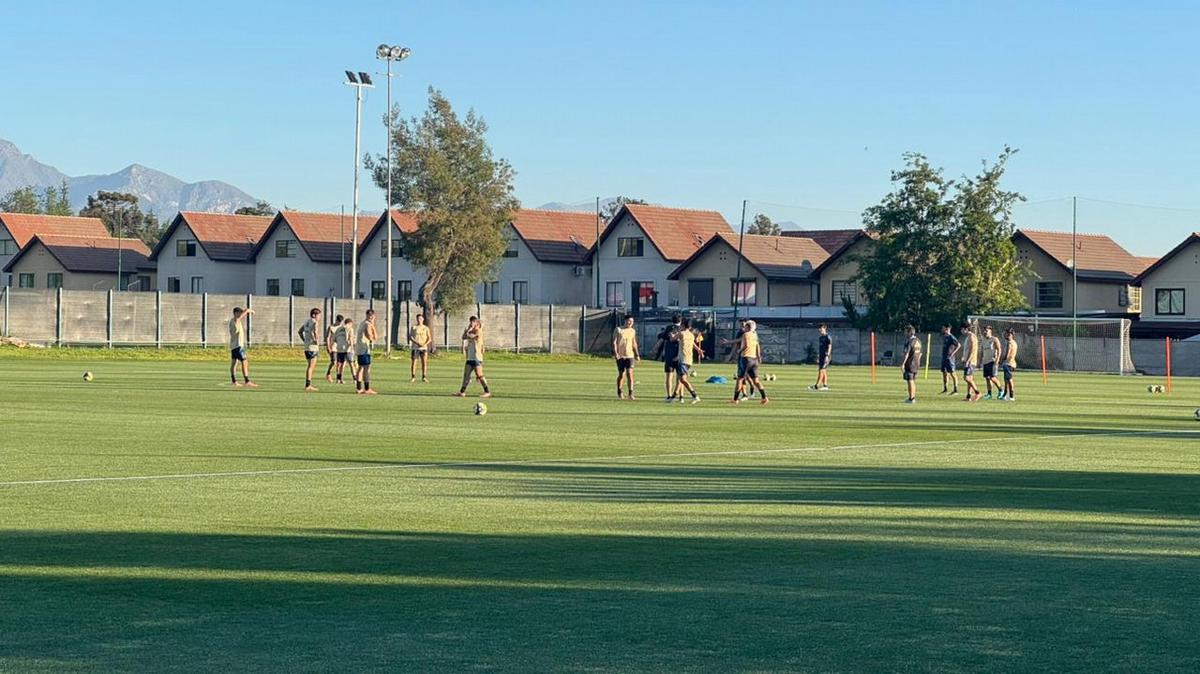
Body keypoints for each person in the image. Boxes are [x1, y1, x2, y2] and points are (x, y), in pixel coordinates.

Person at [726, 320, 768, 405]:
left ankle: (735, 399)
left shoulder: (746, 334)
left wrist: (739, 350)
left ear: (748, 327)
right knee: (756, 381)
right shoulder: (754, 335)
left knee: (740, 379)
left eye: (745, 326)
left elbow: (745, 345)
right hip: (754, 359)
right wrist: (759, 356)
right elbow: (757, 346)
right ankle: (764, 397)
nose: (743, 327)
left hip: (745, 359)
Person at [456, 315, 492, 398]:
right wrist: (467, 331)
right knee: (466, 375)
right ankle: (462, 392)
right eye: (470, 321)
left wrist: (468, 331)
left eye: (473, 321)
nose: (471, 323)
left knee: (479, 375)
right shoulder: (471, 331)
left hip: (476, 357)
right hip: (470, 356)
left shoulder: (478, 331)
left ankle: (487, 391)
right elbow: (463, 337)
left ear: (477, 323)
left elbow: (472, 336)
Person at [670, 318, 701, 404]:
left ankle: (695, 396)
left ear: (683, 325)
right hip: (689, 360)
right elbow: (690, 345)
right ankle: (673, 397)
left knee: (683, 379)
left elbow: (673, 339)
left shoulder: (681, 333)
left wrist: (671, 334)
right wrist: (699, 350)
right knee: (680, 378)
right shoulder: (691, 335)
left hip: (683, 360)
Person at [227, 306, 257, 388]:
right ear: (235, 313)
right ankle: (247, 381)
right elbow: (242, 315)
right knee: (244, 362)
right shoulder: (235, 320)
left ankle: (234, 381)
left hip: (234, 346)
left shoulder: (232, 321)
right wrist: (248, 311)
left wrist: (246, 311)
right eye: (239, 313)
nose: (240, 314)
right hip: (238, 346)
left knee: (234, 363)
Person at [655, 314, 683, 402]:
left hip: (669, 355)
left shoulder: (669, 328)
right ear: (680, 320)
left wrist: (655, 348)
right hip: (680, 356)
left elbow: (662, 339)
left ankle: (669, 395)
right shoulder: (683, 329)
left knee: (669, 377)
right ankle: (680, 396)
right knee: (681, 377)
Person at [612, 314, 640, 400]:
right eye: (629, 321)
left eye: (632, 322)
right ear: (625, 321)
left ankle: (630, 393)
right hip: (620, 356)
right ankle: (619, 391)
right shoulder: (618, 330)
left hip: (630, 355)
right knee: (621, 374)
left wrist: (637, 354)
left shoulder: (632, 331)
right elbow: (614, 342)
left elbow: (634, 343)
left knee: (630, 374)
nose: (630, 323)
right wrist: (616, 353)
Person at [354, 309, 378, 395]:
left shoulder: (362, 323)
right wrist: (373, 329)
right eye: (370, 316)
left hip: (360, 348)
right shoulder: (368, 324)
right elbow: (370, 336)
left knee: (360, 368)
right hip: (364, 349)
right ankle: (367, 388)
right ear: (367, 316)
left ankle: (358, 388)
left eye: (372, 316)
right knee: (366, 368)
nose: (371, 318)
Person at [298, 307, 322, 392]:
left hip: (307, 347)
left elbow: (300, 331)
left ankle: (308, 384)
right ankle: (308, 385)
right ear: (314, 315)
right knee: (311, 367)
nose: (320, 317)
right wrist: (316, 341)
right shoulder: (315, 322)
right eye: (319, 315)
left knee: (309, 366)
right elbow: (314, 332)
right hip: (312, 347)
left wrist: (304, 340)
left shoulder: (306, 322)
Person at [960, 322, 982, 402]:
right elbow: (967, 349)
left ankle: (977, 392)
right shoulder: (968, 337)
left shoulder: (972, 337)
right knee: (970, 378)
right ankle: (968, 396)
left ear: (966, 329)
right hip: (968, 360)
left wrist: (968, 360)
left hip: (971, 361)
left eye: (962, 329)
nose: (961, 331)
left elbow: (973, 350)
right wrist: (964, 357)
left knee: (966, 378)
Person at [409, 313, 432, 383]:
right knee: (414, 362)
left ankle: (424, 377)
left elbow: (429, 338)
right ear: (416, 319)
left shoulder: (426, 328)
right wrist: (417, 343)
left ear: (423, 319)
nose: (420, 320)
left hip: (424, 348)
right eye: (418, 319)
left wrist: (424, 344)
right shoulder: (414, 327)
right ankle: (413, 377)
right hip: (415, 348)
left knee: (424, 363)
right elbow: (411, 337)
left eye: (421, 319)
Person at [901, 324, 921, 404]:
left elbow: (907, 354)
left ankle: (911, 398)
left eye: (906, 331)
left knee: (910, 381)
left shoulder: (909, 341)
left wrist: (903, 363)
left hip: (910, 364)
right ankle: (913, 397)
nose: (904, 333)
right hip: (916, 363)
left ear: (909, 332)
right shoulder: (918, 341)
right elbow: (920, 354)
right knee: (913, 381)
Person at [809, 323, 832, 391]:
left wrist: (827, 355)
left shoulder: (828, 337)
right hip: (822, 356)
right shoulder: (820, 337)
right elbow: (821, 348)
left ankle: (817, 386)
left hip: (826, 356)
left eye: (821, 328)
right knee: (824, 371)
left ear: (825, 328)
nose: (820, 330)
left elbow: (830, 346)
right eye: (819, 328)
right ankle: (825, 385)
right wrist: (819, 356)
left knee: (821, 370)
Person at [982, 325, 1002, 400]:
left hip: (992, 361)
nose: (985, 332)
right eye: (984, 331)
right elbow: (983, 351)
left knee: (992, 377)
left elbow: (999, 350)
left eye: (986, 331)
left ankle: (1001, 390)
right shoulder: (984, 340)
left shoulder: (994, 339)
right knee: (987, 378)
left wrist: (997, 359)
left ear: (990, 331)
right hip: (985, 361)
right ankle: (989, 394)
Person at [333, 316, 355, 384]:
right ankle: (355, 379)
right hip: (347, 349)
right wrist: (352, 347)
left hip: (339, 348)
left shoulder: (338, 329)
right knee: (351, 364)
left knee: (341, 364)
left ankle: (339, 379)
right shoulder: (350, 329)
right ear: (350, 323)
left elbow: (335, 339)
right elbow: (350, 338)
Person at [940, 324, 960, 396]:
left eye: (943, 328)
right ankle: (945, 389)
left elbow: (958, 345)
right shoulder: (945, 337)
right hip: (944, 357)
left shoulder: (952, 337)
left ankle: (955, 390)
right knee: (944, 373)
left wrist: (952, 353)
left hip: (949, 358)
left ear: (947, 328)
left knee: (952, 373)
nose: (942, 329)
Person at [323, 313, 342, 382]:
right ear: (336, 320)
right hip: (333, 346)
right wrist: (328, 347)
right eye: (338, 321)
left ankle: (338, 378)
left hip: (340, 347)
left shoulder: (341, 328)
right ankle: (328, 374)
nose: (339, 323)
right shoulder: (331, 327)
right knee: (334, 362)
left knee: (339, 363)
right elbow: (327, 338)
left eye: (340, 322)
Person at [1001, 328, 1018, 402]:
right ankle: (1004, 395)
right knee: (1006, 380)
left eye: (1008, 334)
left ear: (1011, 335)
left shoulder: (1010, 343)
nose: (1006, 335)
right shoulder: (1014, 342)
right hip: (1012, 363)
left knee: (1009, 379)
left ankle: (1011, 396)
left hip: (1008, 363)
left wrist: (1001, 360)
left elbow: (1007, 354)